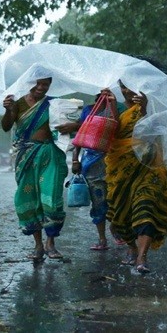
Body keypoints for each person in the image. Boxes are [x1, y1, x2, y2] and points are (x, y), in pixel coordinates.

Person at [103, 81, 167, 274]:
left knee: (146, 208)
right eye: (123, 87)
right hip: (121, 172)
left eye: (131, 86)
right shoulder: (115, 106)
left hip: (149, 168)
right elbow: (109, 134)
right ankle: (133, 249)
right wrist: (110, 105)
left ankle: (142, 258)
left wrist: (144, 111)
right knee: (121, 215)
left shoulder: (154, 107)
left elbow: (157, 132)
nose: (127, 91)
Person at [1, 77, 68, 260]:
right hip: (26, 156)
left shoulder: (54, 104)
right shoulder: (17, 103)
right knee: (28, 196)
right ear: (28, 82)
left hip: (49, 154)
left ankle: (50, 243)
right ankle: (38, 245)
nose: (40, 87)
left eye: (45, 84)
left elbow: (67, 127)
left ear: (49, 85)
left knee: (52, 197)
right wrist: (8, 110)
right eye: (37, 83)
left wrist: (74, 125)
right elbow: (6, 126)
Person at [58, 94, 126, 251]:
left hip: (114, 161)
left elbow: (117, 127)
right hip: (92, 164)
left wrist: (113, 103)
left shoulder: (120, 109)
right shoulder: (88, 110)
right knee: (98, 202)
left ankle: (115, 227)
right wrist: (75, 159)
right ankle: (102, 239)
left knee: (117, 200)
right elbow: (81, 136)